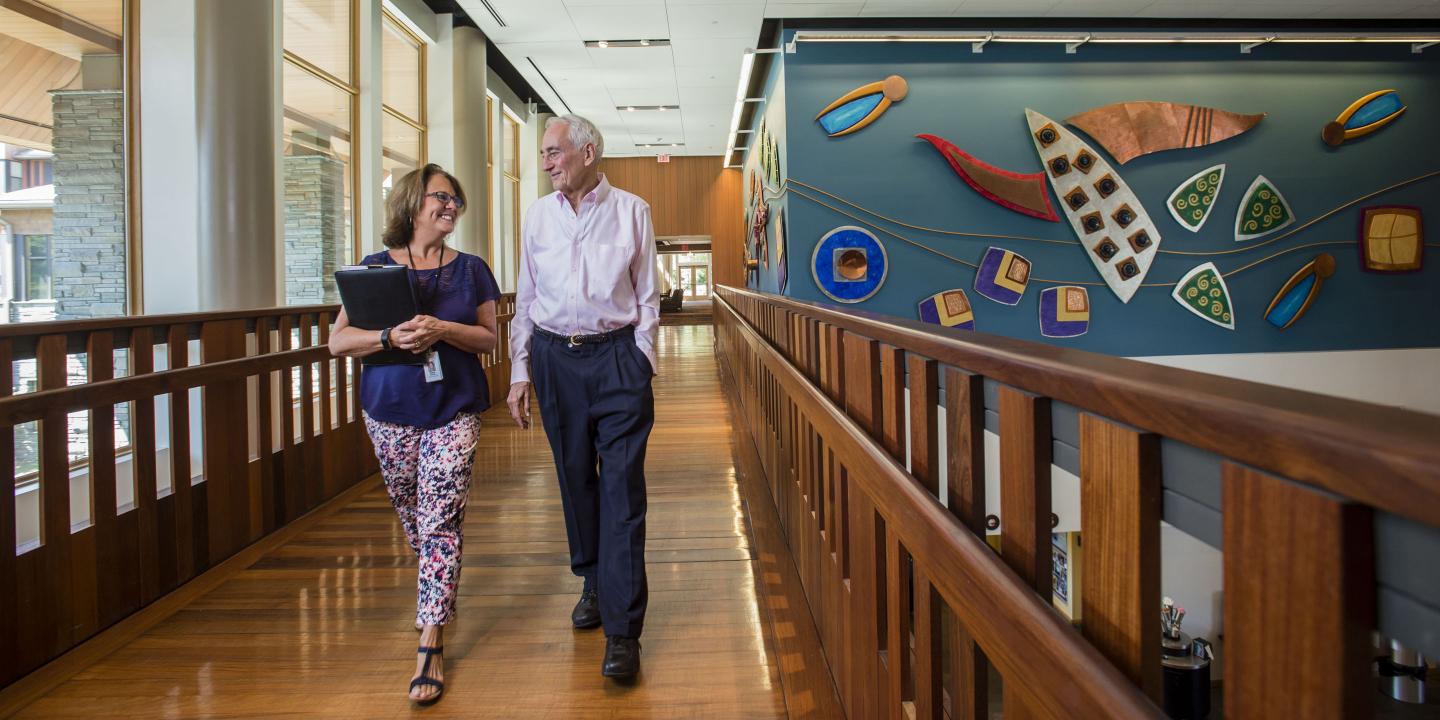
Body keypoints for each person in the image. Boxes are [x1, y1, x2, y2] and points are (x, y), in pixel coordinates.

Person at [328, 164, 501, 705]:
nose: (451, 206)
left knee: (440, 517)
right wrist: (387, 335)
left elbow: (490, 338)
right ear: (411, 203)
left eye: (457, 199)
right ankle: (437, 589)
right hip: (389, 409)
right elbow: (338, 342)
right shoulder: (372, 269)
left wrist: (443, 329)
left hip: (455, 408)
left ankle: (430, 640)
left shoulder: (472, 270)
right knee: (416, 518)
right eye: (442, 197)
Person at [507, 114, 659, 680]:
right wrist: (521, 370)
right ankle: (594, 582)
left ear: (587, 152)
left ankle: (623, 632)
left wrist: (641, 359)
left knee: (622, 491)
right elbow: (526, 296)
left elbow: (647, 296)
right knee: (576, 480)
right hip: (554, 359)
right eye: (544, 154)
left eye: (553, 152)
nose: (546, 163)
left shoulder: (632, 211)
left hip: (617, 358)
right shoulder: (538, 216)